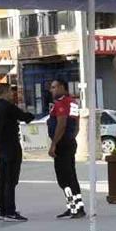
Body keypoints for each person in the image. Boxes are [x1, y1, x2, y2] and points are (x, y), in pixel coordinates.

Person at [0, 83, 35, 222]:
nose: (12, 94)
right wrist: (31, 114)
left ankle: (3, 210)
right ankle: (10, 212)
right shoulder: (8, 107)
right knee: (11, 181)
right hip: (11, 146)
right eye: (10, 92)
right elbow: (26, 117)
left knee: (2, 179)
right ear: (5, 92)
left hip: (0, 147)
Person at [47, 79, 85, 219]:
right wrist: (71, 138)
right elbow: (76, 124)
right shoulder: (73, 102)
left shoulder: (62, 103)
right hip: (68, 143)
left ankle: (76, 209)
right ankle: (74, 207)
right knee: (70, 177)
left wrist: (54, 144)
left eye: (54, 87)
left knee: (64, 179)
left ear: (62, 87)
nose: (52, 90)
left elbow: (61, 124)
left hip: (62, 145)